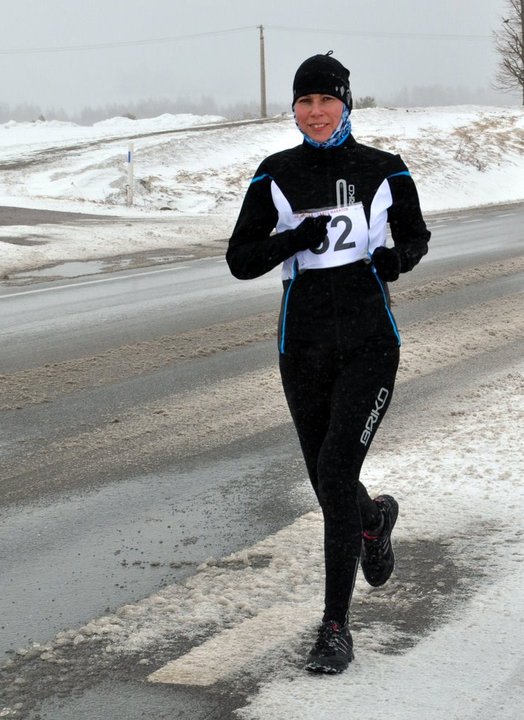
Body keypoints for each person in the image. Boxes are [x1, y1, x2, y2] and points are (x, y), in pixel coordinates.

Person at [226, 51, 430, 674]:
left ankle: (335, 627)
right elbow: (240, 259)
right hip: (303, 348)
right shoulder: (275, 174)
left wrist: (396, 260)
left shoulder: (385, 169)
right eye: (305, 102)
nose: (316, 113)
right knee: (328, 482)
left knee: (336, 472)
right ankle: (374, 519)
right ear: (294, 109)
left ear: (346, 103)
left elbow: (415, 235)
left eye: (327, 100)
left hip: (371, 344)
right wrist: (293, 238)